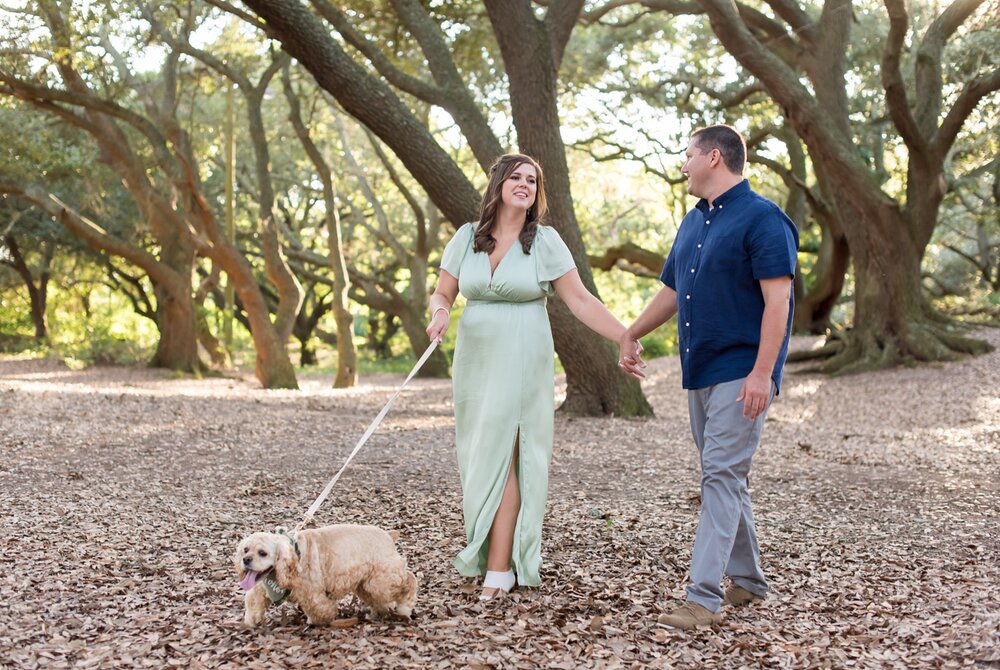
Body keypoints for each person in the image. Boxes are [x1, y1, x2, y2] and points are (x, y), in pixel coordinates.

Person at [426, 153, 631, 600]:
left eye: (533, 180)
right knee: (480, 454)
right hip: (475, 359)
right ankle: (490, 553)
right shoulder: (466, 239)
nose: (525, 185)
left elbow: (579, 300)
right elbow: (443, 292)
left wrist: (624, 335)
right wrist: (440, 313)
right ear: (498, 183)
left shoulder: (545, 242)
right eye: (516, 177)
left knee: (510, 454)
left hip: (522, 355)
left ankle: (501, 566)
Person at [618, 125, 799, 629]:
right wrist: (631, 332)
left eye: (688, 155)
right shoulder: (692, 224)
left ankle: (702, 598)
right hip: (700, 369)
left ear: (713, 158)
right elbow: (673, 293)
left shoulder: (764, 219)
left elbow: (778, 301)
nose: (683, 165)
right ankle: (750, 582)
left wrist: (763, 373)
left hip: (743, 370)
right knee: (726, 474)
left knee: (719, 473)